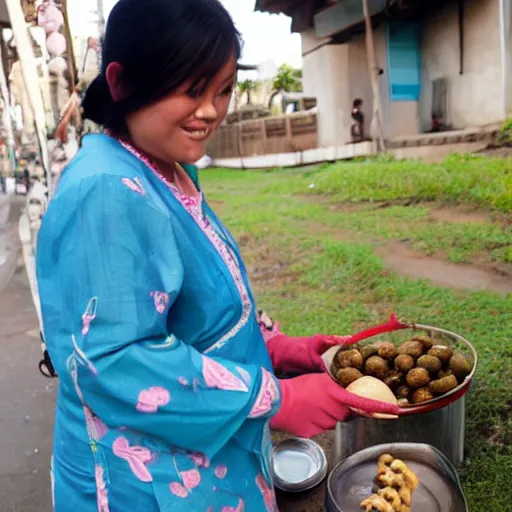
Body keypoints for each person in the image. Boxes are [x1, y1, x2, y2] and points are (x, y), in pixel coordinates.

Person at [36, 1, 399, 511]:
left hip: (202, 454)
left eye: (223, 88)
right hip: (144, 480)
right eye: (191, 89)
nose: (210, 109)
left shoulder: (168, 166)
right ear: (121, 82)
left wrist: (273, 348)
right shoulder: (106, 192)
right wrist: (278, 400)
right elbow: (114, 361)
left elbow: (193, 310)